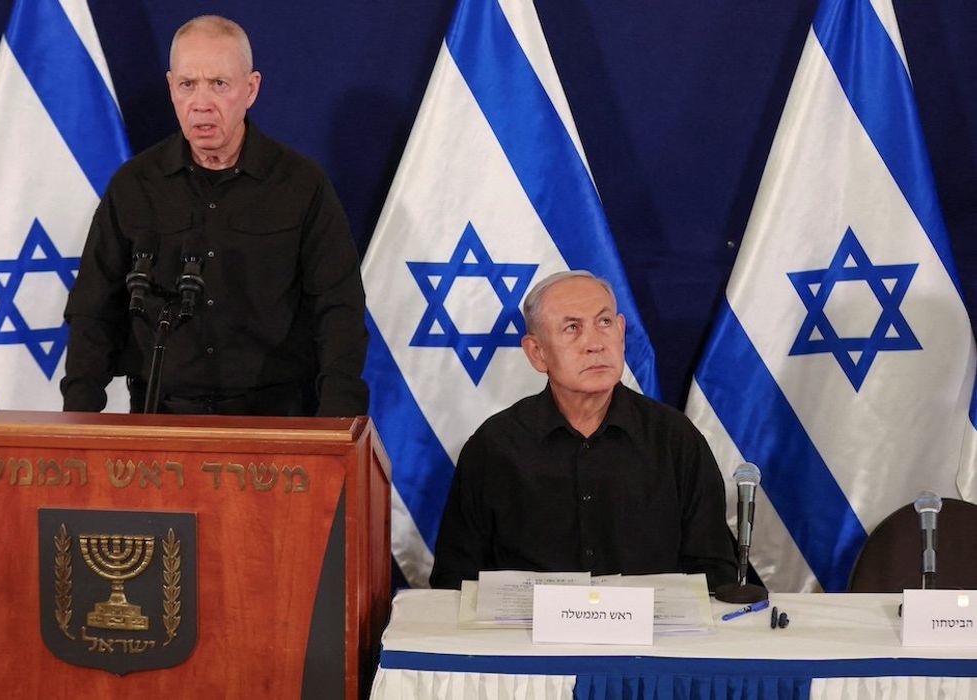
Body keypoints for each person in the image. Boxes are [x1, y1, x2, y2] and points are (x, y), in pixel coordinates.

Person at [61, 15, 368, 417]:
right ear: (171, 88)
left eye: (219, 84)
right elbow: (93, 310)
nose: (201, 102)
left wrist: (337, 428)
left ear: (251, 88)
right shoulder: (135, 185)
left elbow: (339, 310)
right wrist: (77, 423)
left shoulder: (300, 185)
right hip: (161, 418)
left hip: (275, 419)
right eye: (188, 84)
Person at [429, 270, 737, 591]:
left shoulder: (675, 439)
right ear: (537, 352)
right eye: (572, 328)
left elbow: (714, 572)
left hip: (652, 638)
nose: (594, 344)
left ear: (620, 331)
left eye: (604, 323)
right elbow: (455, 581)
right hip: (523, 637)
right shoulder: (494, 446)